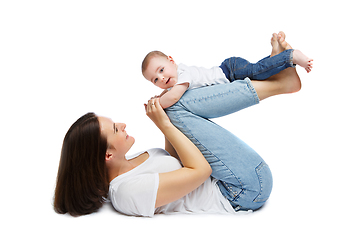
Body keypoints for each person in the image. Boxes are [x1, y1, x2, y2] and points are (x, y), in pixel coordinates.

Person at [54, 34, 303, 217]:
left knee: (172, 107)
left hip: (233, 177)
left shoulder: (136, 159)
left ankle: (276, 77)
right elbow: (200, 171)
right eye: (115, 129)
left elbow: (180, 160)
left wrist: (166, 120)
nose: (123, 124)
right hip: (243, 191)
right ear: (107, 154)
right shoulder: (125, 192)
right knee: (171, 107)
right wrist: (164, 124)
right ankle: (279, 82)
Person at [142, 31, 313, 109]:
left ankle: (291, 56)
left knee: (257, 72)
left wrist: (157, 103)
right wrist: (161, 95)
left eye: (161, 70)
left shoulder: (183, 75)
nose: (161, 78)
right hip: (229, 70)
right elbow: (171, 93)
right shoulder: (177, 81)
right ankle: (275, 55)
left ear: (171, 60)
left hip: (230, 72)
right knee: (258, 72)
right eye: (155, 80)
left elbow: (173, 96)